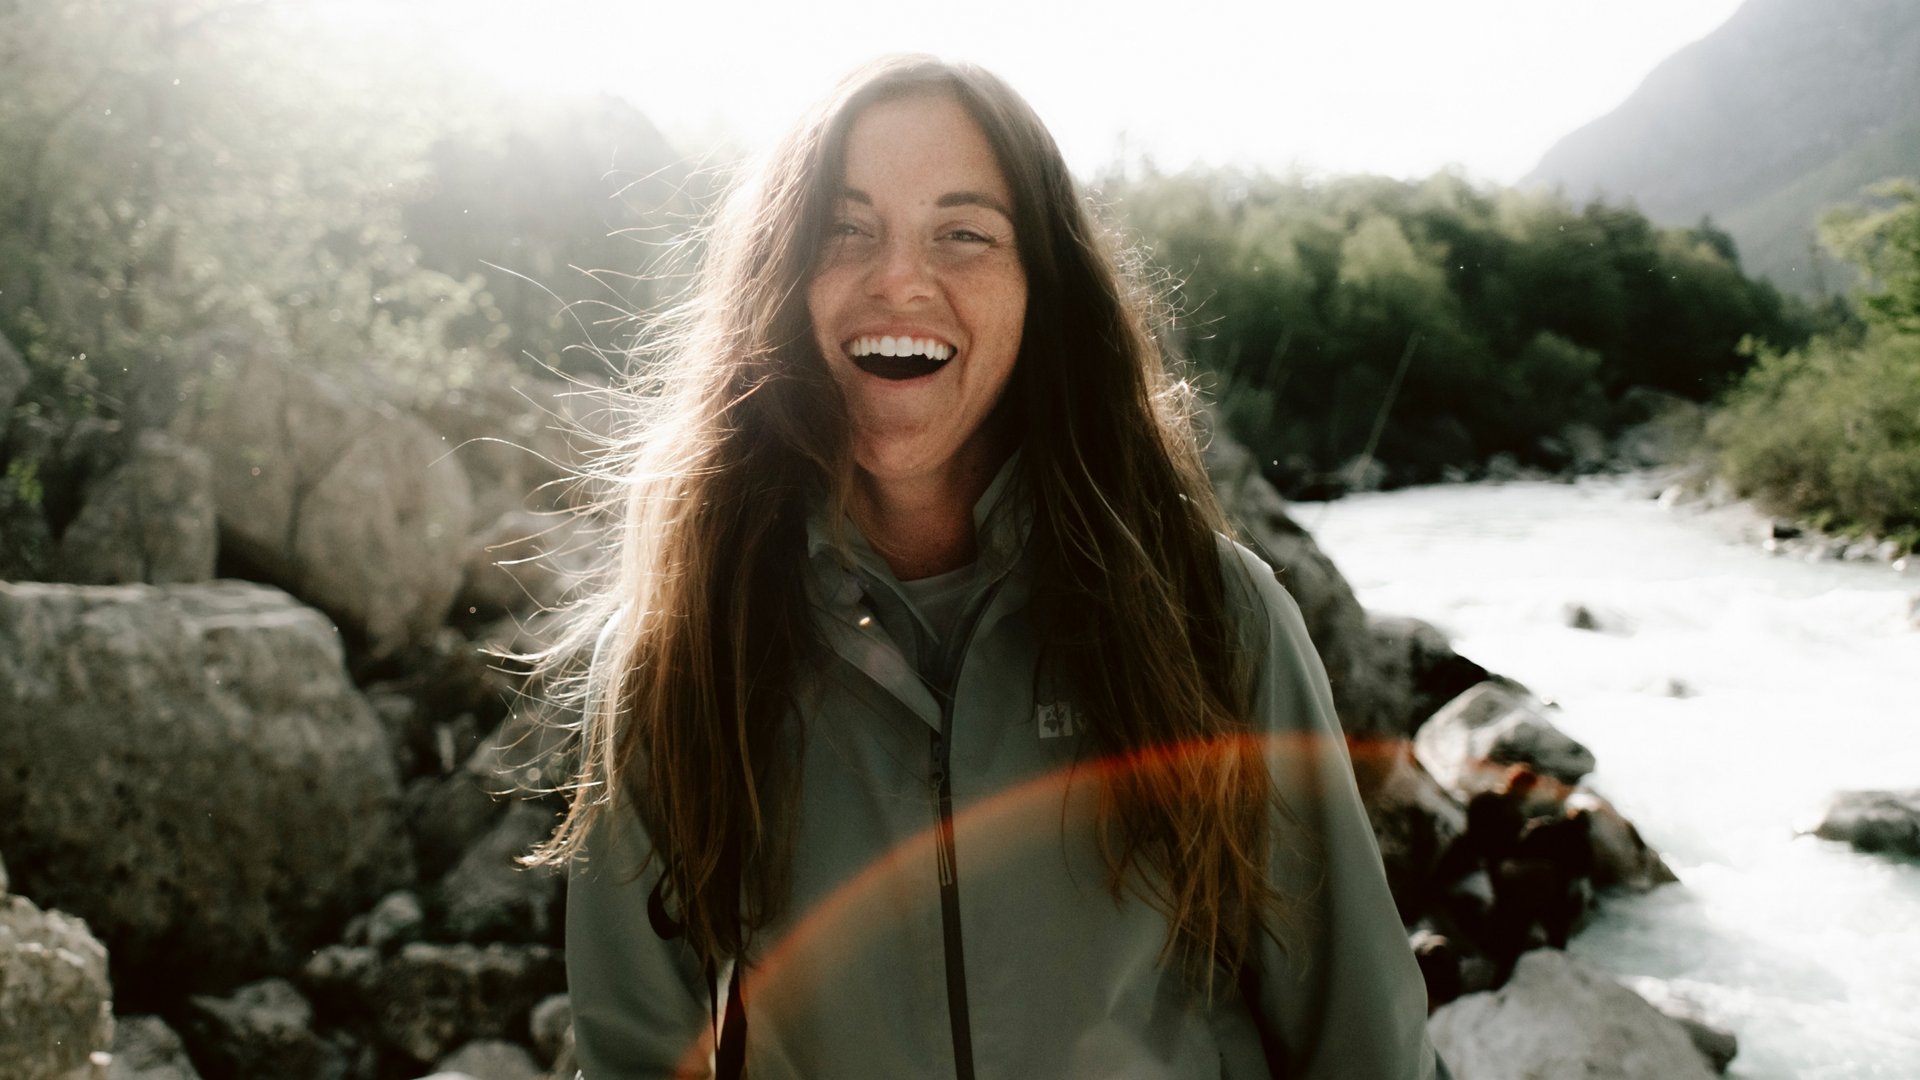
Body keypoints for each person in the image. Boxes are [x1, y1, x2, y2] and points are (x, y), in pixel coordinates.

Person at [540, 54, 1440, 1079]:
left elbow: (1362, 1039)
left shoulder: (1210, 616)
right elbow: (634, 1060)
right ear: (780, 283)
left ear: (1042, 290)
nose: (899, 278)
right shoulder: (680, 649)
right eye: (845, 228)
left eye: (963, 234)